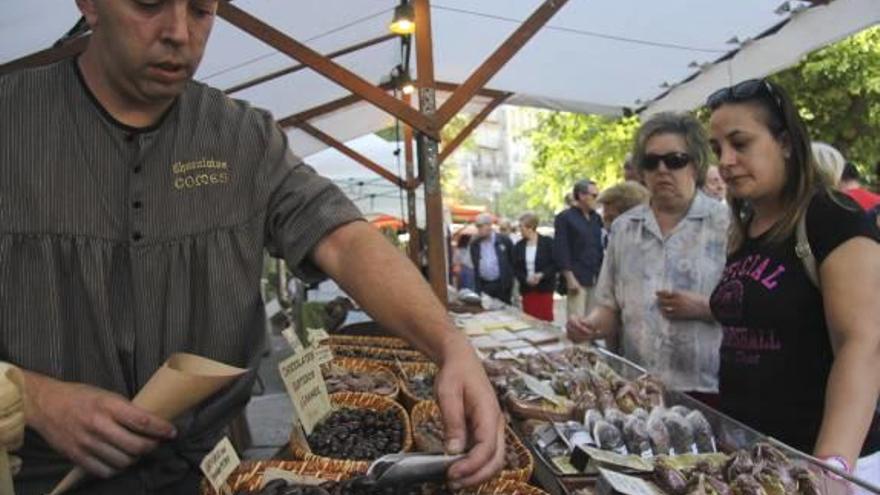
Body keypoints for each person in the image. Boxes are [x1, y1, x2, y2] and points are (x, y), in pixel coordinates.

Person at [0, 2, 504, 493]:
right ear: (89, 4)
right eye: (149, 4)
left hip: (207, 470)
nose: (179, 31)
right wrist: (35, 399)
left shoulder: (244, 138)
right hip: (35, 475)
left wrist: (450, 345)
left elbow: (346, 240)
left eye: (201, 10)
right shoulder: (12, 123)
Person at [706, 78, 880, 481]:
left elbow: (863, 345)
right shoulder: (744, 229)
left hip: (815, 464)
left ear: (785, 142)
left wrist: (831, 470)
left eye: (740, 143)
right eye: (718, 150)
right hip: (755, 461)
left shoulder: (832, 218)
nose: (726, 160)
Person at [567, 112, 729, 402]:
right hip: (636, 387)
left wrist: (707, 308)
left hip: (707, 390)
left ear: (696, 164)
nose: (662, 170)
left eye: (675, 160)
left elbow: (756, 313)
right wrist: (587, 326)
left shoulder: (727, 225)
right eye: (651, 162)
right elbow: (608, 307)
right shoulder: (624, 228)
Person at [553, 180, 604, 319]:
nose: (596, 199)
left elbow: (599, 246)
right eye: (594, 195)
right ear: (581, 195)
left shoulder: (596, 218)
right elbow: (561, 249)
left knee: (592, 321)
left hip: (595, 276)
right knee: (577, 322)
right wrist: (569, 277)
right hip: (576, 278)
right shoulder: (565, 218)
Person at [512, 213, 557, 322]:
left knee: (545, 321)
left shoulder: (547, 242)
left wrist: (542, 275)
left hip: (544, 289)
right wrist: (525, 278)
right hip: (527, 290)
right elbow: (516, 268)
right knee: (529, 321)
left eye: (521, 227)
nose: (519, 230)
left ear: (530, 227)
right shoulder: (519, 246)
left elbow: (555, 264)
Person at [470, 214, 515, 304]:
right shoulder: (475, 244)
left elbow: (512, 261)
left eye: (480, 226)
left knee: (504, 313)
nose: (479, 229)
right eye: (477, 227)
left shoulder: (504, 240)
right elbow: (475, 266)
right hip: (485, 286)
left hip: (501, 285)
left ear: (489, 225)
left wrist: (509, 282)